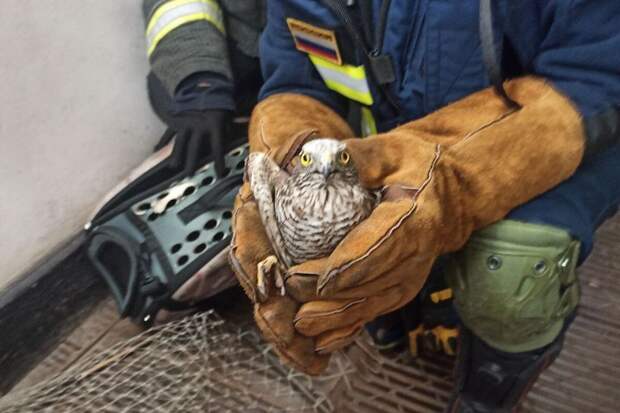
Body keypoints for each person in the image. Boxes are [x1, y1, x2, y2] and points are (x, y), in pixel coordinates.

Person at [229, 1, 620, 412]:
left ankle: (487, 390)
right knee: (368, 257)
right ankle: (403, 314)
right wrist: (291, 161)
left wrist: (450, 184)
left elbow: (598, 76)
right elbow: (295, 78)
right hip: (392, 143)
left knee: (513, 266)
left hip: (565, 133)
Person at [142, 0, 265, 175]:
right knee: (177, 90)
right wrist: (201, 82)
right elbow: (176, 7)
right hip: (244, 39)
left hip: (306, 50)